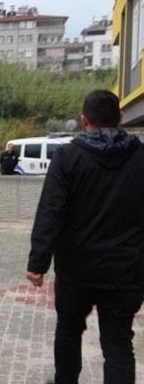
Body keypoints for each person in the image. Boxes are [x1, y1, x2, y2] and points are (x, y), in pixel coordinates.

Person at [26, 89, 144, 384]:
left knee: (68, 329)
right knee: (118, 344)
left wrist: (38, 263)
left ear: (83, 120)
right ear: (119, 118)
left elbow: (51, 211)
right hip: (127, 270)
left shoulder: (67, 157)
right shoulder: (141, 158)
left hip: (77, 270)